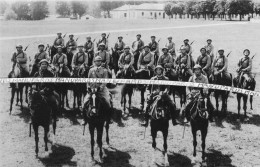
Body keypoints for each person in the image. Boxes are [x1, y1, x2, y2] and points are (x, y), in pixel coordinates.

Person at [82, 56, 113, 125]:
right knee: (85, 102)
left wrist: (100, 88)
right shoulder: (91, 70)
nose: (98, 62)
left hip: (101, 90)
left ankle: (108, 118)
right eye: (96, 61)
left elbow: (105, 81)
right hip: (92, 89)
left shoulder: (104, 70)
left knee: (108, 102)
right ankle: (84, 118)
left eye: (99, 61)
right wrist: (88, 87)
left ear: (101, 62)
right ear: (94, 62)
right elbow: (88, 80)